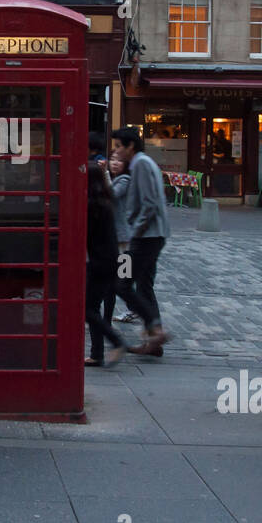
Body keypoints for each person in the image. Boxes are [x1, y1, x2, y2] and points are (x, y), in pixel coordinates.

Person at [110, 126, 171, 356]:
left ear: (130, 146)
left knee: (122, 283)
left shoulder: (142, 165)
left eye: (118, 146)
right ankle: (154, 343)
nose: (116, 151)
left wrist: (135, 231)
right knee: (144, 285)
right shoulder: (140, 164)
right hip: (151, 235)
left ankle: (155, 329)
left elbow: (150, 203)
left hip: (145, 237)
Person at [85, 163, 128, 367]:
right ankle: (96, 354)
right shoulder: (104, 200)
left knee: (89, 309)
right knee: (93, 306)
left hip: (99, 262)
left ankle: (116, 342)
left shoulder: (90, 205)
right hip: (111, 259)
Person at [104, 152, 138, 325]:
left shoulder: (124, 180)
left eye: (119, 161)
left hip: (123, 238)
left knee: (123, 276)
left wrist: (104, 173)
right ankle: (133, 308)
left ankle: (135, 308)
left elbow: (112, 194)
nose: (115, 163)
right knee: (118, 278)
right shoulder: (117, 178)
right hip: (117, 236)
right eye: (113, 160)